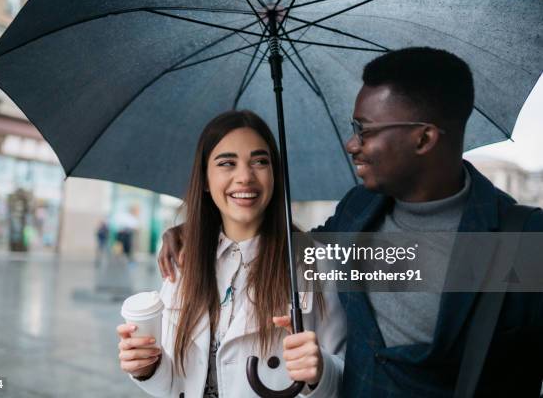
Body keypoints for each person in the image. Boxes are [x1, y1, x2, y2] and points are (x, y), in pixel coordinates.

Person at [158, 48, 543, 396]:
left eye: (365, 130)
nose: (352, 144)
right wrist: (195, 230)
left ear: (423, 139)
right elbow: (294, 245)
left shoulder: (523, 241)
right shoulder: (358, 209)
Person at [117, 110, 346, 397]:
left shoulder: (313, 260)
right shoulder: (184, 259)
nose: (245, 177)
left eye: (260, 162)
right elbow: (175, 383)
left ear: (275, 175)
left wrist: (321, 370)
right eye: (227, 163)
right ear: (204, 180)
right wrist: (146, 368)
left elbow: (345, 373)